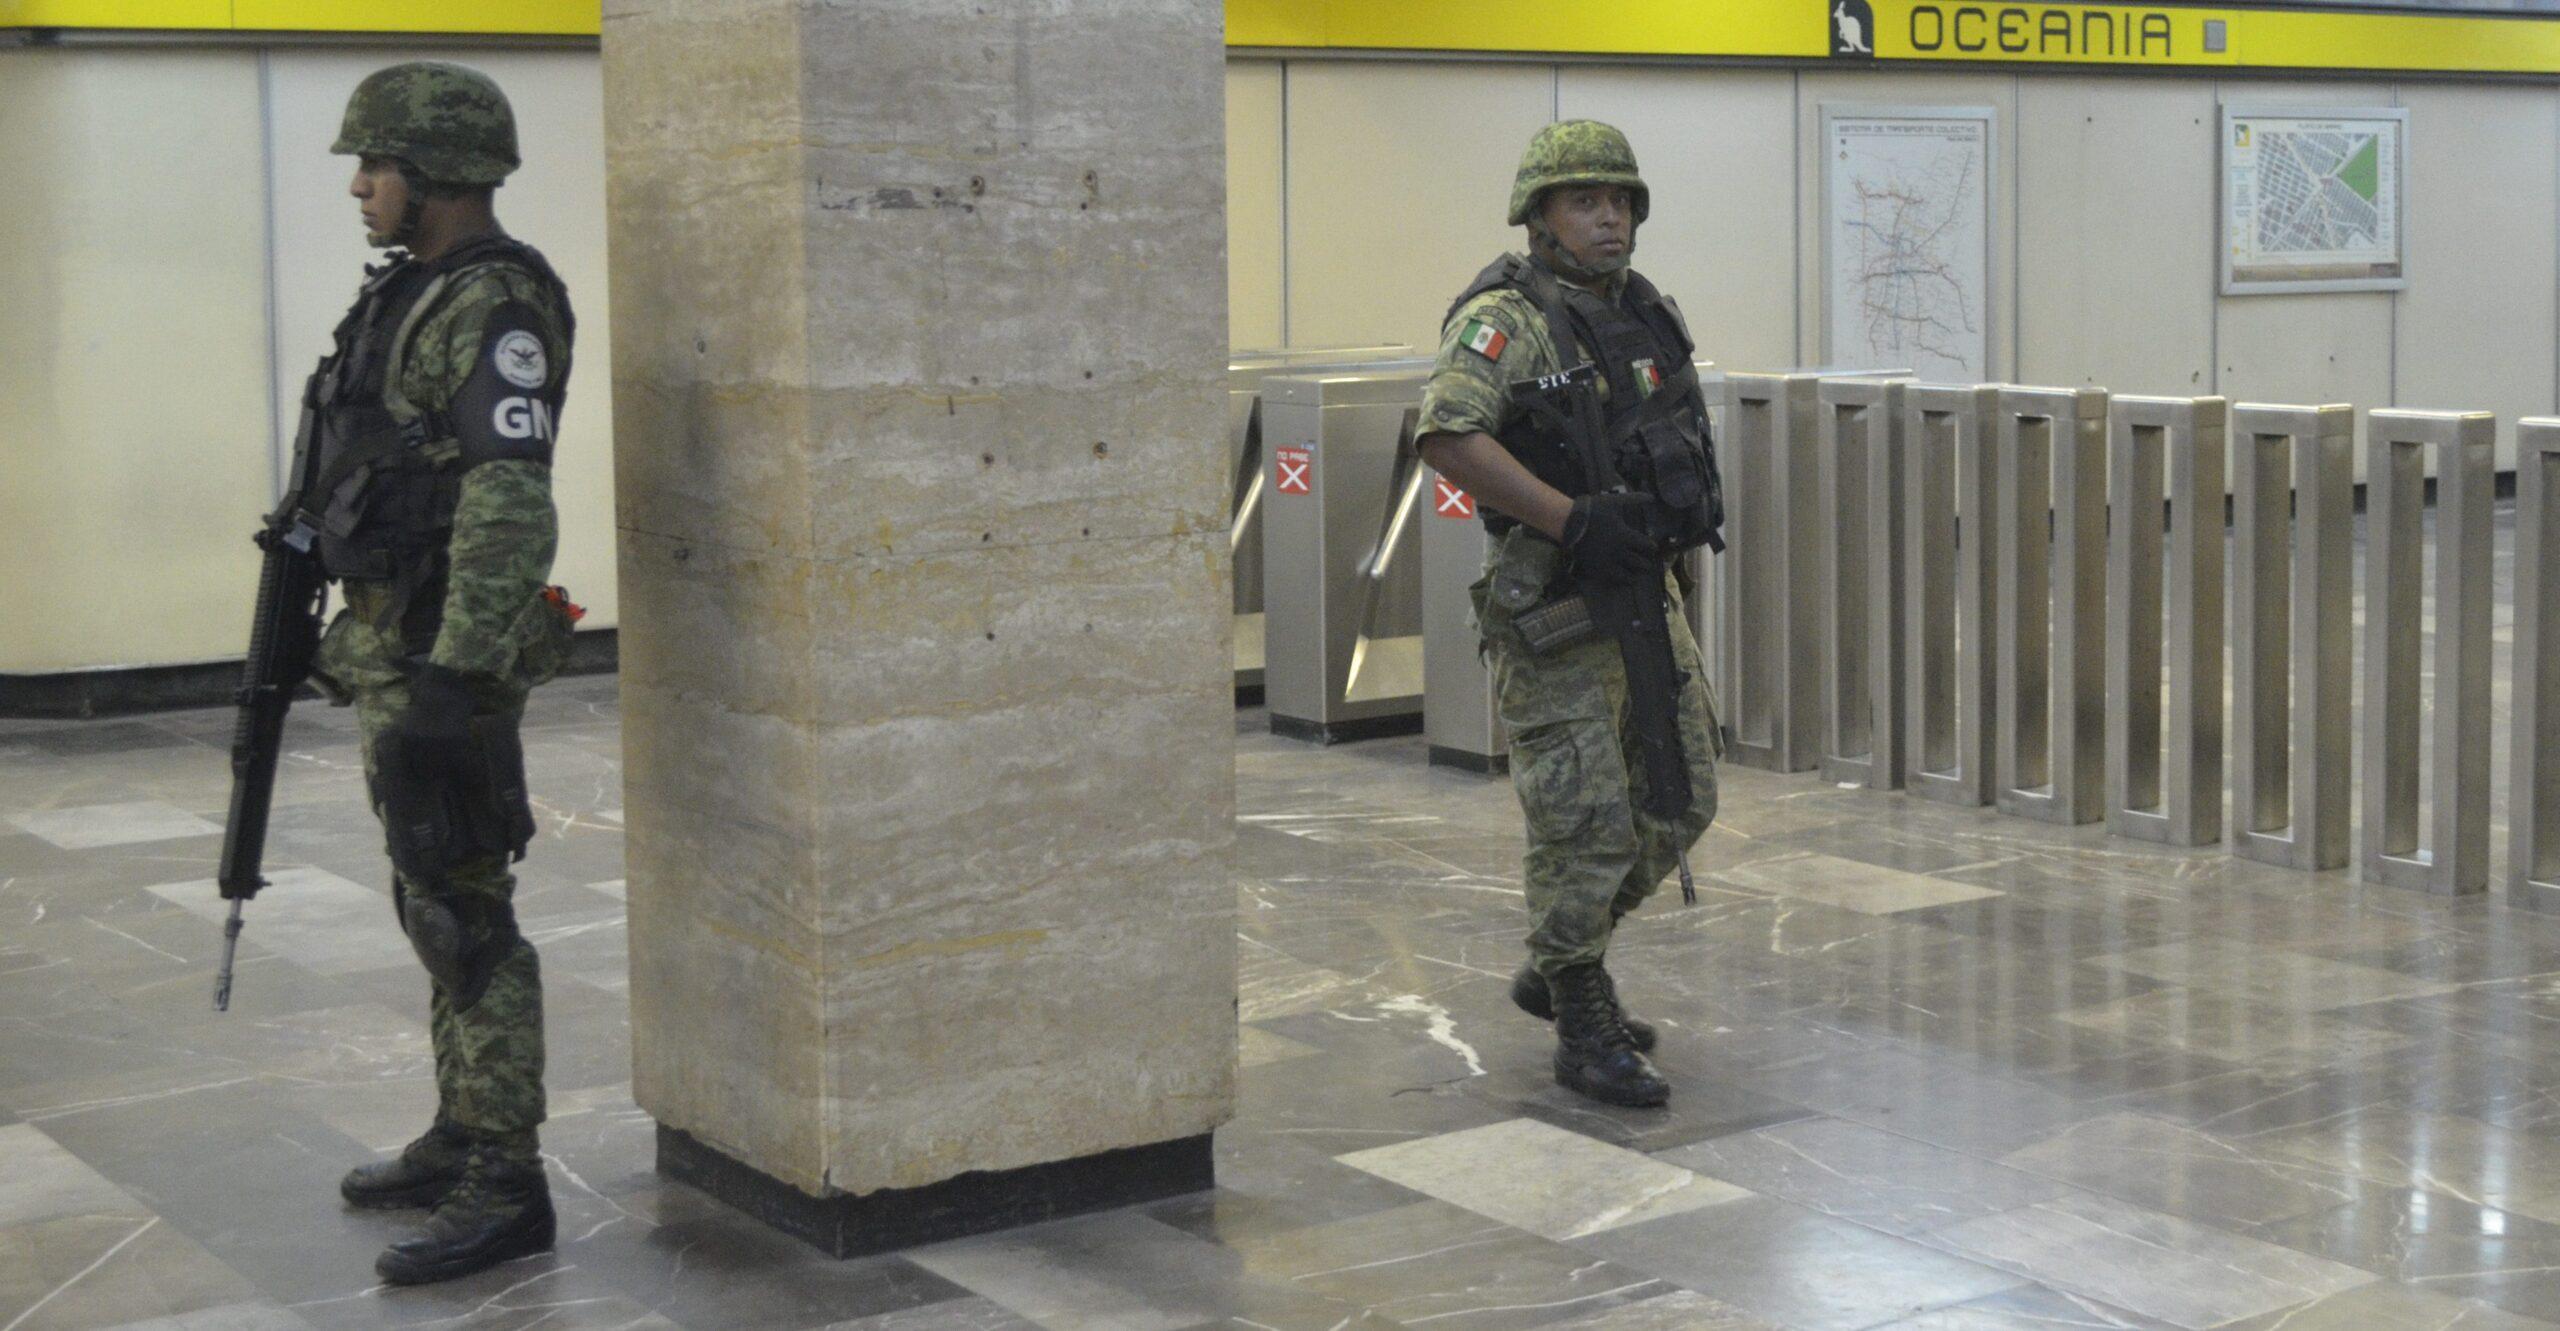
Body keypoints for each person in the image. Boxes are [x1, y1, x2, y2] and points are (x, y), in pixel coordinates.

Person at [287, 61, 577, 1284]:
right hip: (400, 641)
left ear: (438, 172)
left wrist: (457, 679)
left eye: (377, 165)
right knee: (428, 891)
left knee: (466, 910)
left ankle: (508, 1179)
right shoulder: (413, 290)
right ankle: (463, 1126)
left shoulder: (497, 304)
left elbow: (510, 499)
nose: (362, 187)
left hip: (445, 651)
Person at [1413, 121, 1724, 1109]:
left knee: (1682, 797)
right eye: (1585, 201)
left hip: (1642, 592)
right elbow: (1447, 433)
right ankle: (1581, 1013)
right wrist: (1570, 518)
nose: (1608, 218)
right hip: (1551, 601)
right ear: (1539, 215)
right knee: (1584, 819)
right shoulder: (1505, 319)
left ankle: (1561, 958)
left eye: (1620, 200)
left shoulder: (1639, 310)